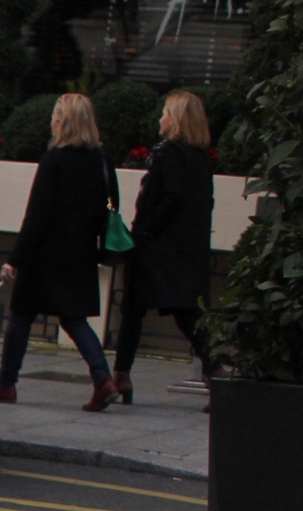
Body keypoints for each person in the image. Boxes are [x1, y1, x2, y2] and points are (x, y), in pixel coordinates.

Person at [0, 92, 120, 412]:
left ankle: (6, 383)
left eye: (56, 115)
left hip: (46, 254)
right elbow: (112, 206)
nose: (51, 120)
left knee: (22, 317)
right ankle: (103, 379)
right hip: (81, 252)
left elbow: (37, 216)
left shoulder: (54, 160)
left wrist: (15, 259)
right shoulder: (102, 160)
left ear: (63, 122)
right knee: (75, 319)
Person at [111, 89, 216, 402]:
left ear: (177, 119)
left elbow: (168, 198)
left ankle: (122, 374)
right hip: (187, 247)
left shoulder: (168, 153)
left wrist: (142, 234)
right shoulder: (201, 158)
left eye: (166, 113)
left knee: (133, 309)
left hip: (156, 246)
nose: (161, 118)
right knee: (185, 313)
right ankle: (217, 374)